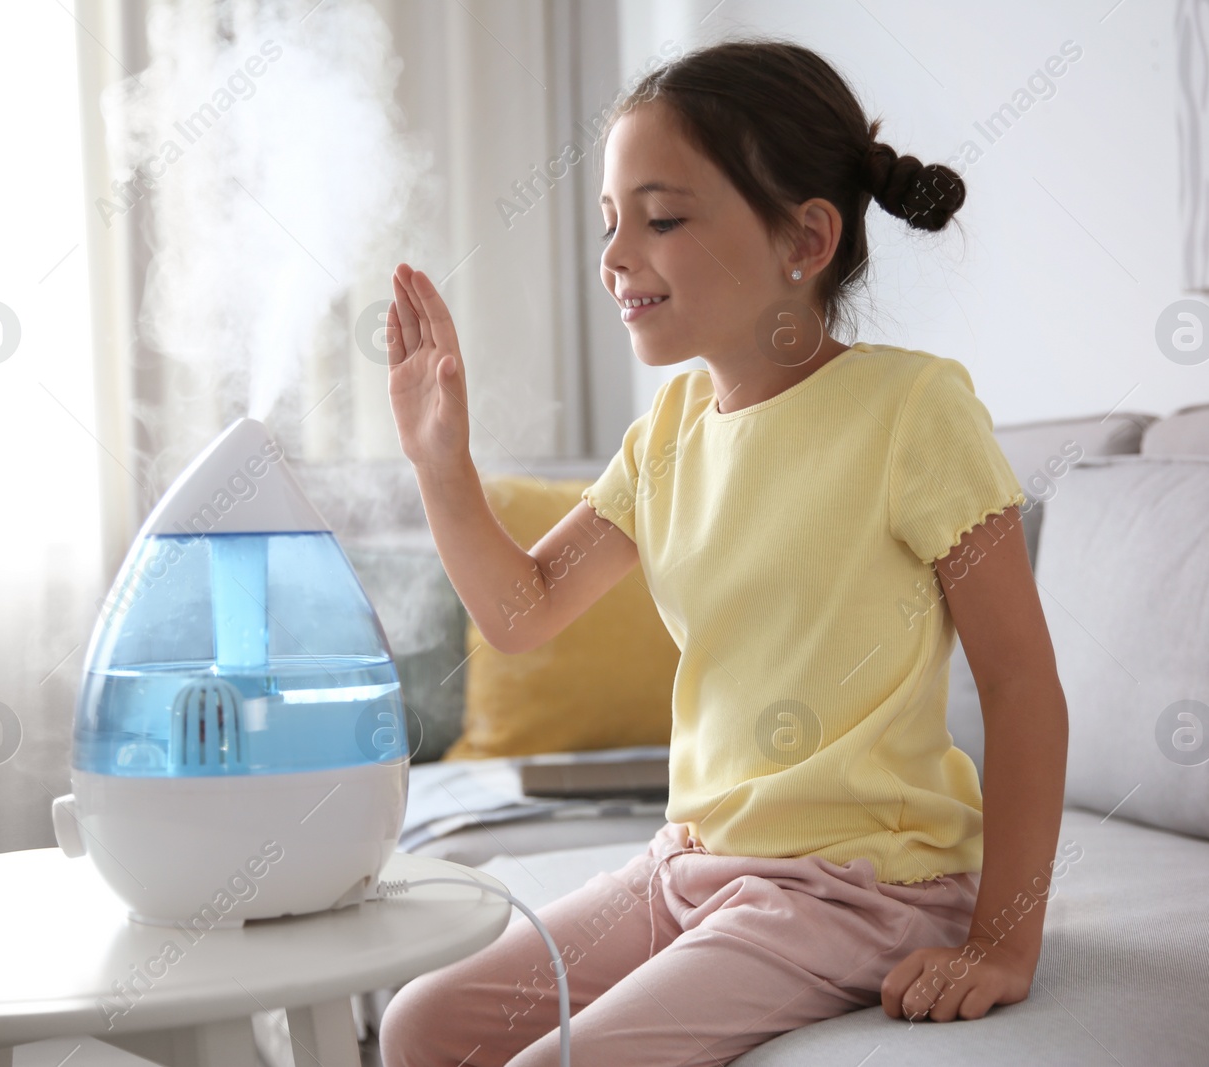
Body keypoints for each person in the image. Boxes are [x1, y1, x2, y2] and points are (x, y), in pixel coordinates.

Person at [377, 35, 1068, 1067]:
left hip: (859, 886)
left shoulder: (912, 409)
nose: (614, 257)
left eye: (660, 218)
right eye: (610, 223)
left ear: (805, 240)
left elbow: (1021, 685)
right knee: (420, 1024)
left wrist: (1003, 941)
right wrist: (442, 465)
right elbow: (521, 613)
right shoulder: (666, 433)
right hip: (689, 865)